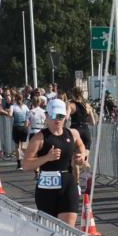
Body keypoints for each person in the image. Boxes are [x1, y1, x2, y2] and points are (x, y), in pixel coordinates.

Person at [23, 98, 89, 228]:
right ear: (46, 116)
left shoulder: (72, 133)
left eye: (60, 116)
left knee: (68, 229)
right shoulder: (39, 138)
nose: (57, 120)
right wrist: (47, 158)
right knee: (51, 231)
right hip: (46, 190)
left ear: (65, 117)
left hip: (68, 185)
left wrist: (82, 157)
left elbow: (81, 146)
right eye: (53, 116)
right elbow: (26, 165)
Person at [9, 94, 29, 168]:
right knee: (23, 147)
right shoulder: (25, 107)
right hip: (23, 128)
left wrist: (6, 112)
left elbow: (10, 115)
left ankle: (19, 163)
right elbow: (29, 115)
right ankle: (26, 161)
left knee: (17, 147)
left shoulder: (13, 106)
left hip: (17, 127)